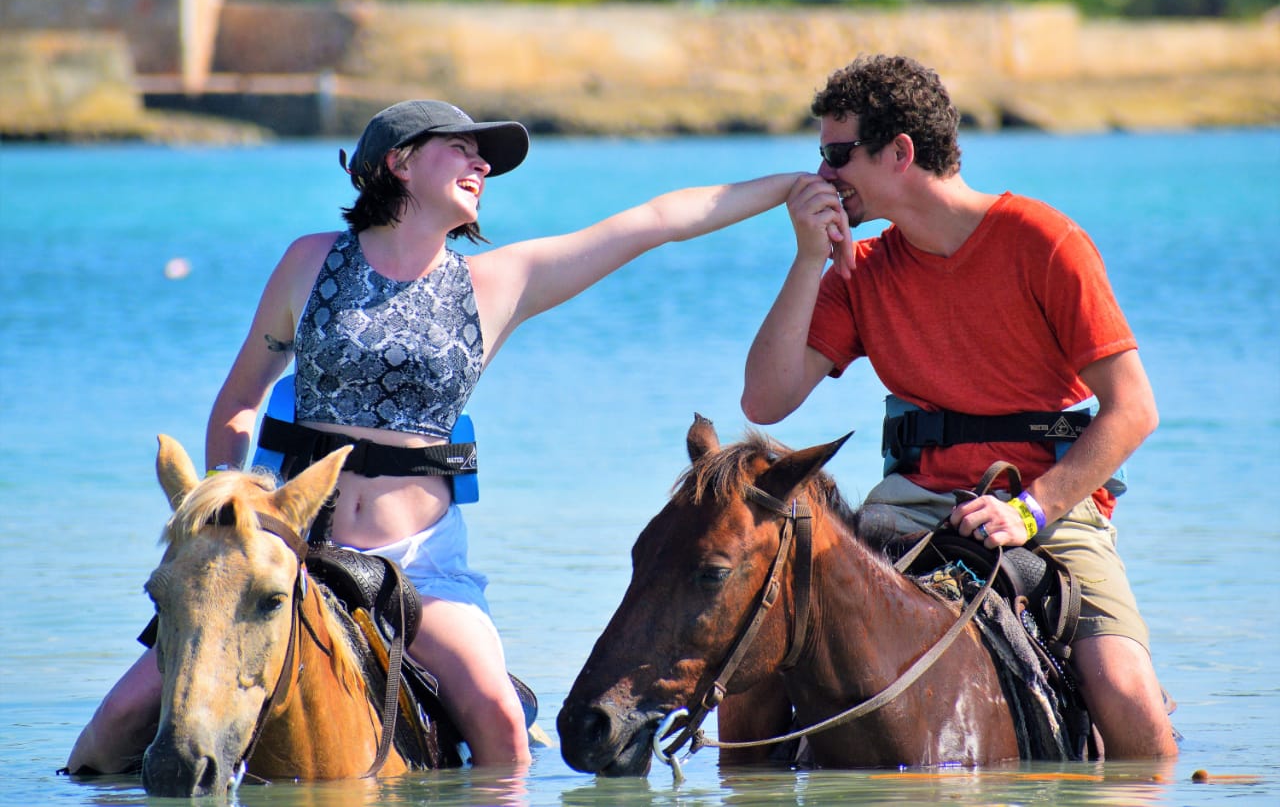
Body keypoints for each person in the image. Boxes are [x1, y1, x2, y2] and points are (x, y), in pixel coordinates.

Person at [66, 99, 811, 774]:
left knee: (500, 725)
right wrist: (228, 528)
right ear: (399, 162)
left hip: (422, 570)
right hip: (288, 554)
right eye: (461, 148)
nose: (482, 165)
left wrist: (792, 187)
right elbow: (237, 404)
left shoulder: (495, 283)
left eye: (484, 157)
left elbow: (656, 221)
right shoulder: (309, 261)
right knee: (116, 722)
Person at [737, 55, 1178, 759]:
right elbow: (766, 397)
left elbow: (1134, 409)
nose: (822, 175)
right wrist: (806, 259)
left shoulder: (1044, 242)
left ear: (900, 153)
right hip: (906, 503)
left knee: (1125, 693)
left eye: (837, 154)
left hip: (1048, 512)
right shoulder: (862, 269)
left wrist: (1029, 510)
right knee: (754, 646)